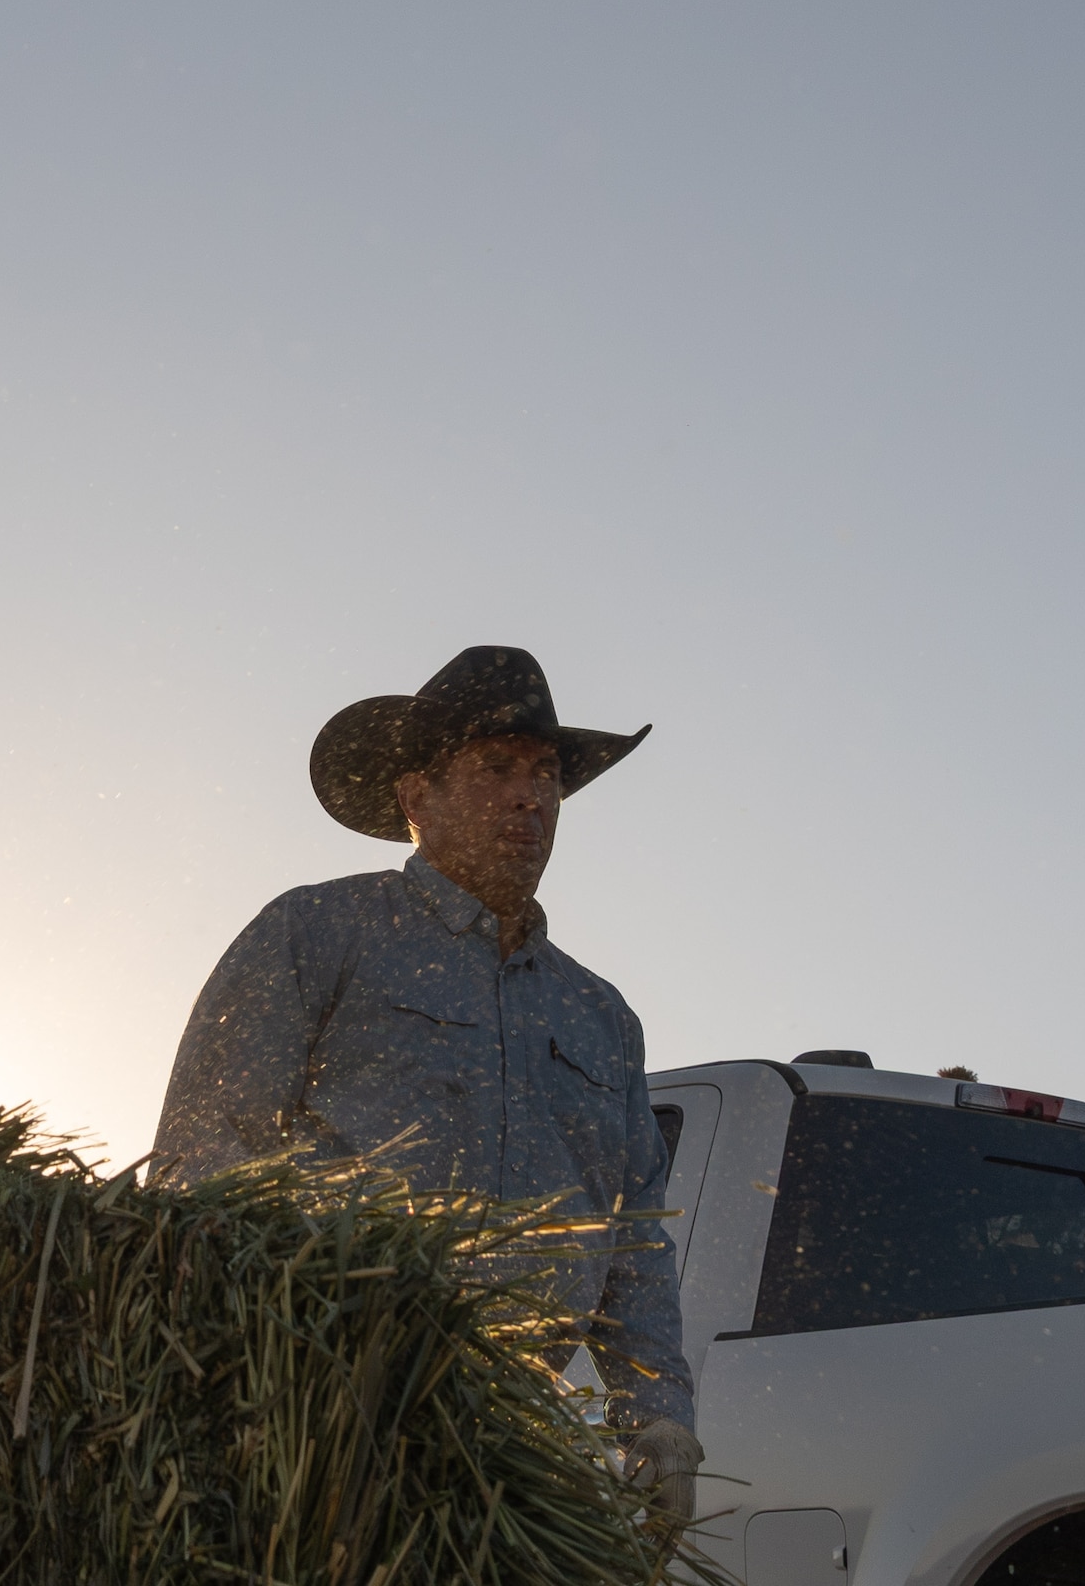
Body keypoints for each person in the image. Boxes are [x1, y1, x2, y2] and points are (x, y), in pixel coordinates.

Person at [155, 647, 702, 1517]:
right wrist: (257, 1356)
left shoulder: (602, 1016)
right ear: (419, 799)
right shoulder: (318, 932)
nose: (531, 796)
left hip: (508, 1448)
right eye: (495, 768)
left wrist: (661, 1421)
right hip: (310, 1420)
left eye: (547, 773)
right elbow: (203, 1158)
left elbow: (634, 1244)